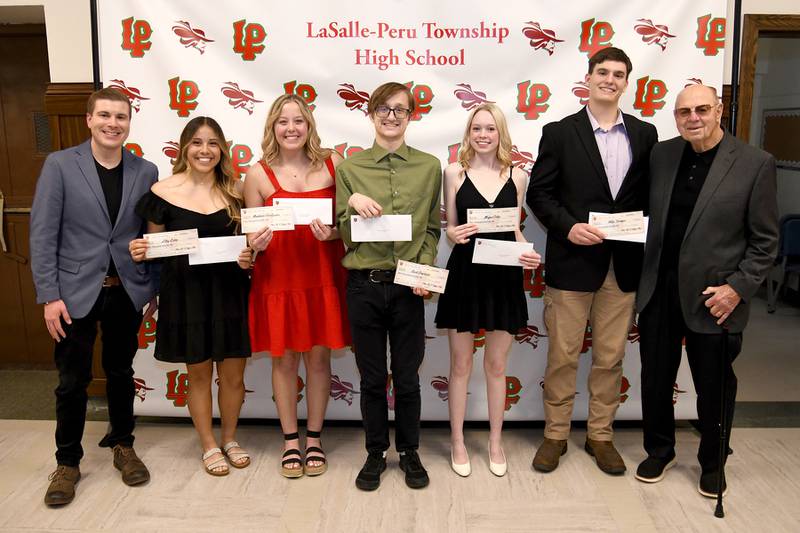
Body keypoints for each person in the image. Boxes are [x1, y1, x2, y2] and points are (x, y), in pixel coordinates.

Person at [635, 84, 778, 497]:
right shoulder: (662, 155)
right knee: (655, 379)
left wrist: (736, 289)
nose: (692, 118)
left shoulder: (755, 163)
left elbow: (765, 241)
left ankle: (714, 462)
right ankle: (659, 450)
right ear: (675, 117)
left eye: (701, 109)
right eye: (683, 112)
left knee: (714, 386)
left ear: (719, 111)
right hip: (659, 291)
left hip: (716, 298)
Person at [526, 47, 658, 475]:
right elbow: (539, 195)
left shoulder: (645, 134)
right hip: (572, 263)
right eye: (603, 72)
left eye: (619, 74)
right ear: (588, 77)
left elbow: (650, 199)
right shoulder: (560, 132)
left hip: (623, 268)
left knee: (610, 357)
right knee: (563, 355)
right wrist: (567, 227)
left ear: (626, 82)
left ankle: (600, 435)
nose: (610, 79)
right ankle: (556, 434)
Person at [30, 88, 158, 506]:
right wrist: (49, 295)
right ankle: (67, 462)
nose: (112, 123)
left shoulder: (145, 170)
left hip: (125, 290)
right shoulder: (60, 165)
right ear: (89, 119)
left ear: (128, 123)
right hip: (71, 294)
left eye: (121, 117)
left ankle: (123, 444)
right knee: (72, 382)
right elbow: (43, 233)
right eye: (104, 115)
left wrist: (151, 286)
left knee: (120, 373)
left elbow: (148, 236)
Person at [129, 116, 252, 477]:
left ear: (222, 149)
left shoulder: (237, 190)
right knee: (198, 374)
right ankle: (208, 444)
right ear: (184, 147)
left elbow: (251, 243)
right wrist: (143, 250)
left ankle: (229, 438)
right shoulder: (161, 192)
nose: (205, 150)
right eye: (197, 142)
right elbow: (156, 247)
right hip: (186, 295)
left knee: (233, 375)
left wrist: (250, 255)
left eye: (213, 143)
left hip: (231, 292)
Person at [335, 82, 442, 490]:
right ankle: (376, 452)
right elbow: (344, 233)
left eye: (400, 109)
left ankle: (410, 451)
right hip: (364, 284)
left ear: (411, 115)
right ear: (370, 113)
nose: (391, 116)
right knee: (372, 377)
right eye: (383, 108)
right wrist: (352, 204)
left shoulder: (429, 166)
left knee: (409, 376)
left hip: (408, 286)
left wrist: (425, 269)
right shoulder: (350, 169)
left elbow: (432, 229)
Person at [245, 94, 350, 478]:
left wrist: (335, 232)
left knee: (319, 360)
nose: (291, 128)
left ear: (309, 126)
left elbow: (350, 224)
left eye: (298, 121)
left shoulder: (334, 163)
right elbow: (250, 237)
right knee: (285, 360)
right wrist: (254, 244)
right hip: (279, 278)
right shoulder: (257, 174)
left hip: (323, 276)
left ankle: (316, 437)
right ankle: (291, 440)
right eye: (283, 121)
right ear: (272, 127)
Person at [434, 103, 541, 477]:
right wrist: (453, 233)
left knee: (496, 366)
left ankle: (496, 441)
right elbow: (449, 226)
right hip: (465, 274)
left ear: (500, 134)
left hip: (504, 274)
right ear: (469, 133)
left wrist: (529, 253)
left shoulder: (519, 175)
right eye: (477, 128)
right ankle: (458, 441)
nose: (483, 135)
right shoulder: (454, 172)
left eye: (490, 129)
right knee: (461, 365)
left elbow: (514, 229)